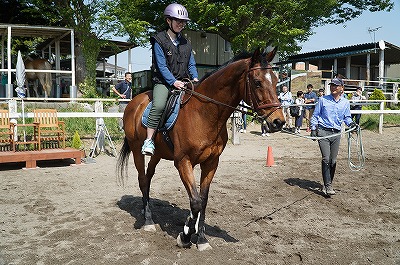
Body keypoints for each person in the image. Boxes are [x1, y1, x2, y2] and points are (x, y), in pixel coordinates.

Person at [142, 3, 199, 156]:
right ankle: (149, 140)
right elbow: (161, 66)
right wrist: (173, 82)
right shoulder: (159, 40)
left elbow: (191, 63)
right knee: (159, 105)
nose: (181, 24)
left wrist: (195, 78)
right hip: (164, 83)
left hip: (184, 82)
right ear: (168, 21)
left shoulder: (186, 43)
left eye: (183, 21)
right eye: (177, 20)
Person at [310, 77, 356, 196]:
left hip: (336, 133)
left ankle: (328, 183)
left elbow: (347, 117)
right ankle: (328, 186)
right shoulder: (323, 100)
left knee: (333, 160)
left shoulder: (345, 102)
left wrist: (351, 124)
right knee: (326, 158)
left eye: (336, 85)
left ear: (342, 88)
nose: (333, 87)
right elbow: (315, 115)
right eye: (331, 85)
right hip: (323, 132)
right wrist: (313, 129)